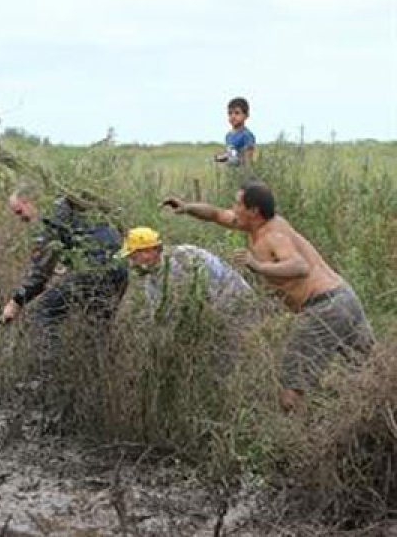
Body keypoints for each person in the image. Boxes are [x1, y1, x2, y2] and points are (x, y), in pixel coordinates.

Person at [163, 181, 375, 411]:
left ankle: (297, 440)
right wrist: (186, 207)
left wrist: (258, 266)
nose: (233, 208)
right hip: (344, 298)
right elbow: (216, 214)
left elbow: (300, 266)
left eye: (237, 204)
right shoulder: (257, 224)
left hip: (324, 307)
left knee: (292, 387)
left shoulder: (273, 235)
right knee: (372, 370)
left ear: (254, 211)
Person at [1, 182, 128, 374]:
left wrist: (16, 302)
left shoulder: (51, 216)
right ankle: (98, 379)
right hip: (119, 270)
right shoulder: (72, 204)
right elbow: (93, 237)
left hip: (94, 270)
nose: (21, 219)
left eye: (20, 212)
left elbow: (40, 273)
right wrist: (72, 267)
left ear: (30, 202)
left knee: (43, 312)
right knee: (97, 327)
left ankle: (46, 377)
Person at [119, 226, 253, 318]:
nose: (132, 262)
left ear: (150, 251)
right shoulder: (154, 272)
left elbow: (197, 306)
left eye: (134, 256)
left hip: (237, 305)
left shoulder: (180, 262)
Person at [215, 97, 256, 166]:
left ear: (246, 115)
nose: (233, 116)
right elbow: (231, 153)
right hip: (231, 172)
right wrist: (221, 158)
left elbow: (248, 160)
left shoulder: (246, 135)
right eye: (230, 113)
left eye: (237, 113)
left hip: (242, 172)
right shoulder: (228, 135)